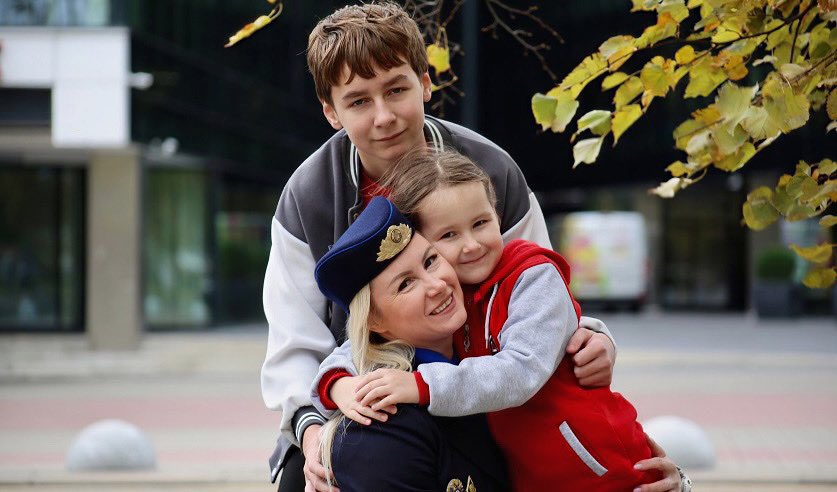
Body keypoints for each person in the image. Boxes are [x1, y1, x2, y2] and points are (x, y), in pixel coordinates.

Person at [262, 3, 617, 490]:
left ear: (425, 83)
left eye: (397, 90)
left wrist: (592, 335)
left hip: (487, 395)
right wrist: (313, 431)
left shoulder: (492, 171)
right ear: (331, 113)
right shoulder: (308, 197)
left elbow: (537, 285)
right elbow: (295, 345)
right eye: (359, 101)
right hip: (358, 397)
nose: (384, 116)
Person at [314, 152, 692, 491]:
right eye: (449, 235)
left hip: (600, 470)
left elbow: (521, 369)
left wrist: (420, 385)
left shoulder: (531, 276)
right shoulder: (459, 297)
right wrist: (339, 386)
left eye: (481, 223)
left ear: (498, 216)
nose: (471, 245)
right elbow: (357, 348)